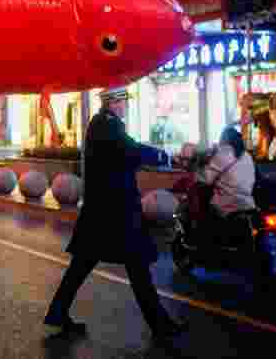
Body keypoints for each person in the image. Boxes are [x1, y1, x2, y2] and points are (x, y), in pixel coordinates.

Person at [44, 86, 187, 340]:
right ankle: (161, 326)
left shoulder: (103, 124)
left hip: (103, 212)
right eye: (123, 102)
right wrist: (163, 156)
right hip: (115, 212)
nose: (126, 106)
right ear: (113, 103)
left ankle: (58, 312)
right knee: (137, 268)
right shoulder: (107, 126)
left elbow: (126, 153)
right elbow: (131, 151)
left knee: (84, 265)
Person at [196, 125, 256, 236]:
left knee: (202, 219)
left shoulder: (223, 153)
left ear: (223, 139)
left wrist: (202, 163)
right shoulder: (247, 155)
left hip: (227, 206)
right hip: (248, 205)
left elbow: (205, 179)